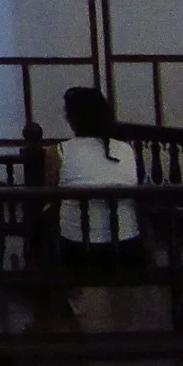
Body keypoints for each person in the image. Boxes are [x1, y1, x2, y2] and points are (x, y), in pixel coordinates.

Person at [45, 87, 141, 266]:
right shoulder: (127, 149)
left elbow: (51, 195)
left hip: (78, 246)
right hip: (127, 243)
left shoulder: (59, 151)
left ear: (72, 118)